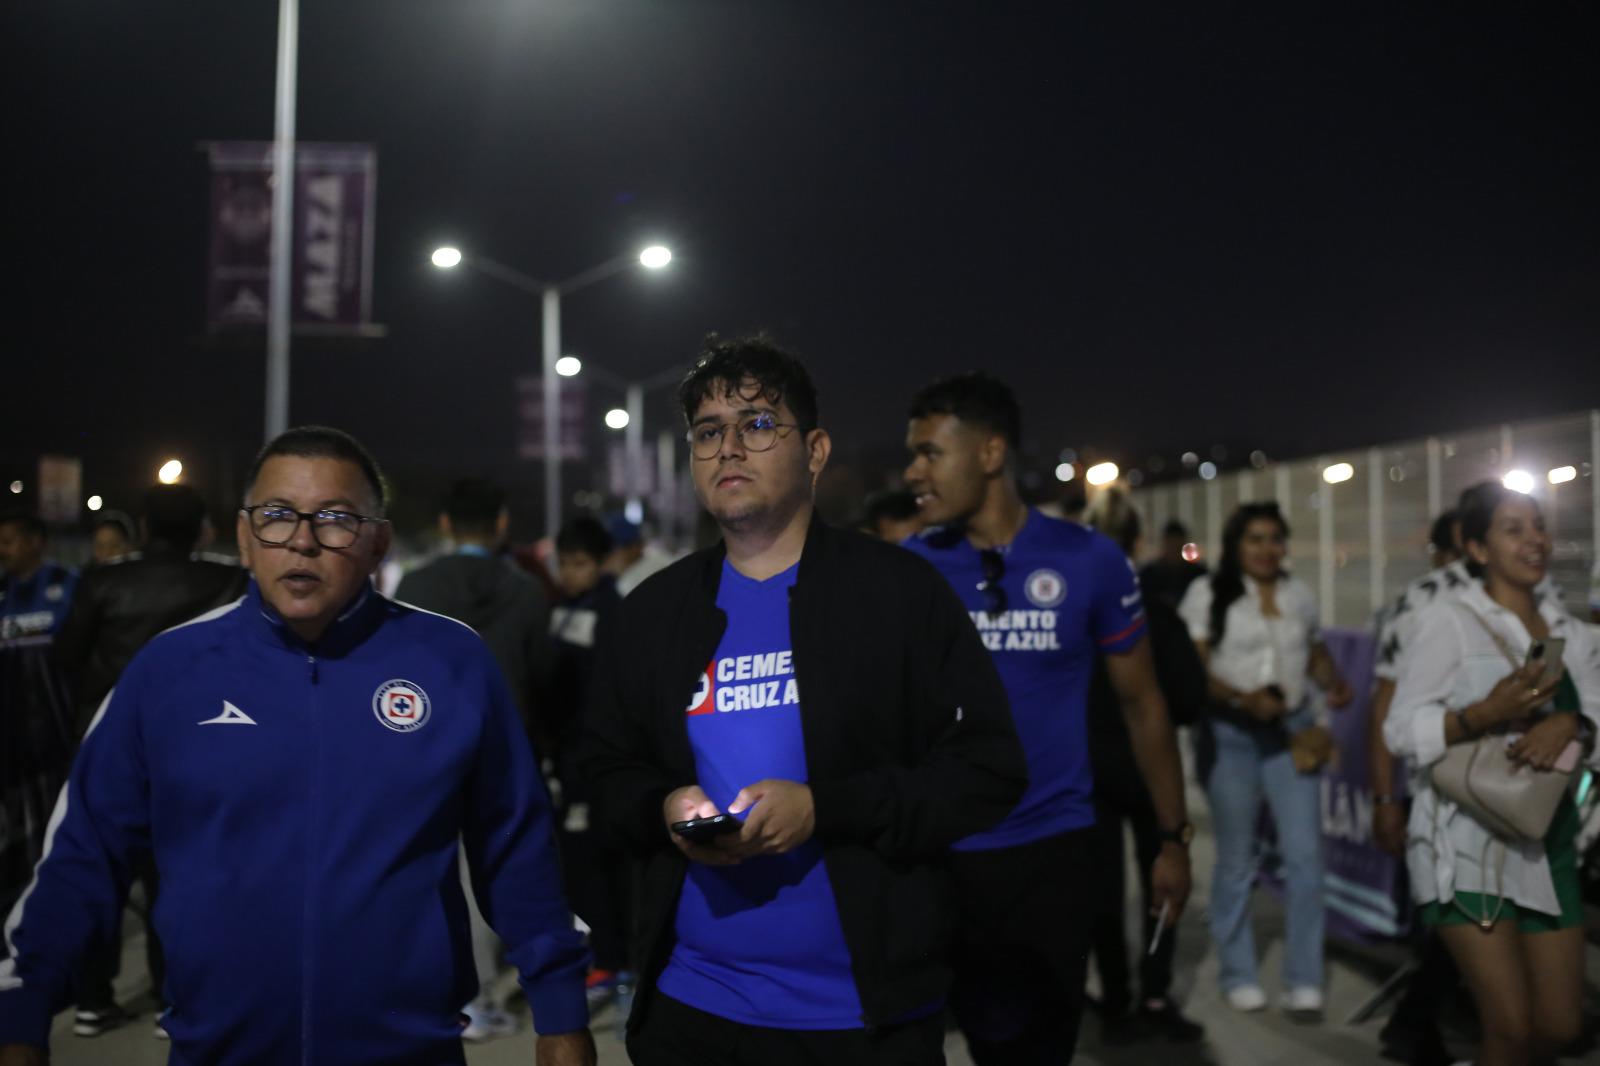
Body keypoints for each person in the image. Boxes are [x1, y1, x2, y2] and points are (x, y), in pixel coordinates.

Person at [0, 426, 595, 1066]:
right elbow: (87, 849)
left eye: (335, 518)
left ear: (379, 543)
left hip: (409, 1050)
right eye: (277, 516)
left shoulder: (452, 662)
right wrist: (24, 1011)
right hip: (217, 1050)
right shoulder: (169, 669)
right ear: (244, 539)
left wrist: (561, 1012)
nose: (303, 540)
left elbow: (516, 844)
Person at [581, 336, 1025, 1066]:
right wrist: (664, 807)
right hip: (694, 1006)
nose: (730, 448)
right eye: (708, 432)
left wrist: (826, 808)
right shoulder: (653, 612)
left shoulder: (899, 595)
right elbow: (602, 770)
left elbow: (988, 770)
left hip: (862, 1018)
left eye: (758, 424)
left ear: (815, 451)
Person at [902, 372, 1192, 1064]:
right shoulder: (909, 570)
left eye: (930, 453)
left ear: (991, 454)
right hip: (944, 858)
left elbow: (1143, 704)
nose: (913, 472)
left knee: (1038, 1049)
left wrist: (1171, 839)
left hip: (1055, 855)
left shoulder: (1089, 560)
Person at [1385, 481, 1598, 1066]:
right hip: (1463, 846)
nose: (1535, 539)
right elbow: (1400, 729)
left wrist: (1575, 724)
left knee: (1558, 1027)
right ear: (1476, 548)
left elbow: (1598, 716)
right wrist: (1484, 714)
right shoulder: (1447, 621)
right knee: (1508, 1028)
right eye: (1514, 528)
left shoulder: (1569, 633)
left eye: (1539, 526)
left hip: (1547, 843)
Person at [51, 483, 248, 1039]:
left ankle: (92, 1000)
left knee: (100, 875)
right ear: (206, 529)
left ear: (140, 527)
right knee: (177, 879)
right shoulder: (226, 579)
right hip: (195, 749)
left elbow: (65, 657)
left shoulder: (102, 581)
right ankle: (174, 998)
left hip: (105, 749)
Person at [394, 477, 555, 1043]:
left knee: (430, 872)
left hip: (423, 748)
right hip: (507, 750)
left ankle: (443, 992)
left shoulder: (415, 586)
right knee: (499, 873)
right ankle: (485, 998)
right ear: (502, 523)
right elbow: (543, 679)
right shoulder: (528, 591)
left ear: (444, 524)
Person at [1178, 501, 1351, 1017]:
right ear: (1235, 545)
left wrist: (1334, 682)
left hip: (1290, 735)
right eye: (1255, 538)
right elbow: (1194, 671)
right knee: (1236, 859)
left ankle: (1305, 978)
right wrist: (1241, 699)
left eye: (1275, 538)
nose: (1266, 549)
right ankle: (1238, 972)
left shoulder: (1299, 594)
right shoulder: (1208, 593)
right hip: (1229, 735)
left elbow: (1316, 652)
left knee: (1305, 859)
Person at [1081, 488, 1207, 1044]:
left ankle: (1114, 996)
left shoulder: (1072, 616)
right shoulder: (1154, 615)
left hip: (1088, 772)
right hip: (1152, 774)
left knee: (1103, 891)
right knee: (1165, 882)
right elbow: (1189, 697)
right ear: (1135, 544)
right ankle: (1155, 990)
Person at [1365, 509, 1465, 1066]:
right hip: (1435, 789)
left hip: (1489, 791)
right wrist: (1385, 799)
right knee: (1448, 925)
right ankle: (1414, 1026)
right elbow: (1384, 707)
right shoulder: (1424, 602)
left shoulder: (1525, 599)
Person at [548, 516, 632, 1012]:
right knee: (576, 863)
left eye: (578, 563)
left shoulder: (610, 611)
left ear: (602, 563)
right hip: (566, 754)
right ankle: (600, 953)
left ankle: (611, 958)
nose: (569, 572)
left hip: (591, 757)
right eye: (563, 563)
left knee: (595, 863)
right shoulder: (565, 609)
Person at [0, 514, 77, 926]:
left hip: (55, 740)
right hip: (9, 745)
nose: (3, 550)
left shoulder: (69, 586)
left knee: (53, 840)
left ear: (35, 542)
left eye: (9, 540)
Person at [1139, 519, 1207, 610]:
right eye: (1171, 546)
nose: (1174, 552)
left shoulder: (1198, 575)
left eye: (1177, 547)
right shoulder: (1148, 575)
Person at [604, 514, 678, 599]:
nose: (612, 557)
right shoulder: (659, 557)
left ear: (636, 547)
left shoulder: (629, 582)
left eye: (616, 550)